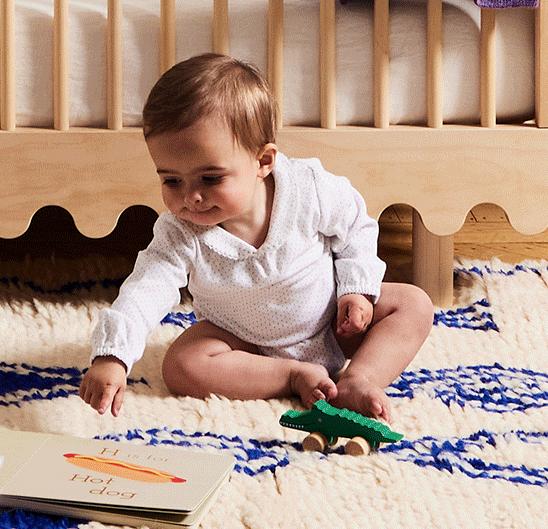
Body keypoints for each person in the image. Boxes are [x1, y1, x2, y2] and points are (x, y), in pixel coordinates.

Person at [80, 52, 433, 418]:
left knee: (414, 304)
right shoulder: (180, 233)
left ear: (263, 161)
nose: (190, 197)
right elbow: (144, 290)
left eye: (210, 178)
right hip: (244, 346)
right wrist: (112, 356)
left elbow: (356, 227)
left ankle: (360, 378)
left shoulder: (307, 188)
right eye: (171, 180)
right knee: (181, 365)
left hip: (333, 322)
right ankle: (291, 376)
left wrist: (356, 290)